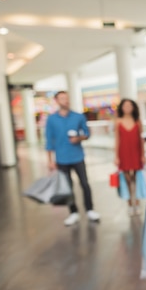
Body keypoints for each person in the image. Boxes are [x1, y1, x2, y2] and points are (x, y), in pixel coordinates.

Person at [45, 91, 100, 226]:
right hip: (61, 159)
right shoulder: (51, 119)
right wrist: (50, 161)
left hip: (77, 156)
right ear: (57, 101)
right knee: (67, 187)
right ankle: (73, 212)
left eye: (67, 98)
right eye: (62, 98)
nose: (65, 101)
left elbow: (87, 134)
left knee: (85, 184)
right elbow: (48, 140)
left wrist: (79, 138)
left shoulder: (78, 117)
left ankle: (90, 210)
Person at [114, 98, 146, 216]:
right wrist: (116, 156)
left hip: (136, 152)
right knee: (126, 179)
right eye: (125, 105)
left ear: (133, 107)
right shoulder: (118, 121)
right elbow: (117, 140)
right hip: (124, 153)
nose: (127, 108)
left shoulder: (137, 121)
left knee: (137, 178)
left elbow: (141, 139)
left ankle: (137, 203)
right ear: (121, 108)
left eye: (129, 105)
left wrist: (143, 154)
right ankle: (129, 204)